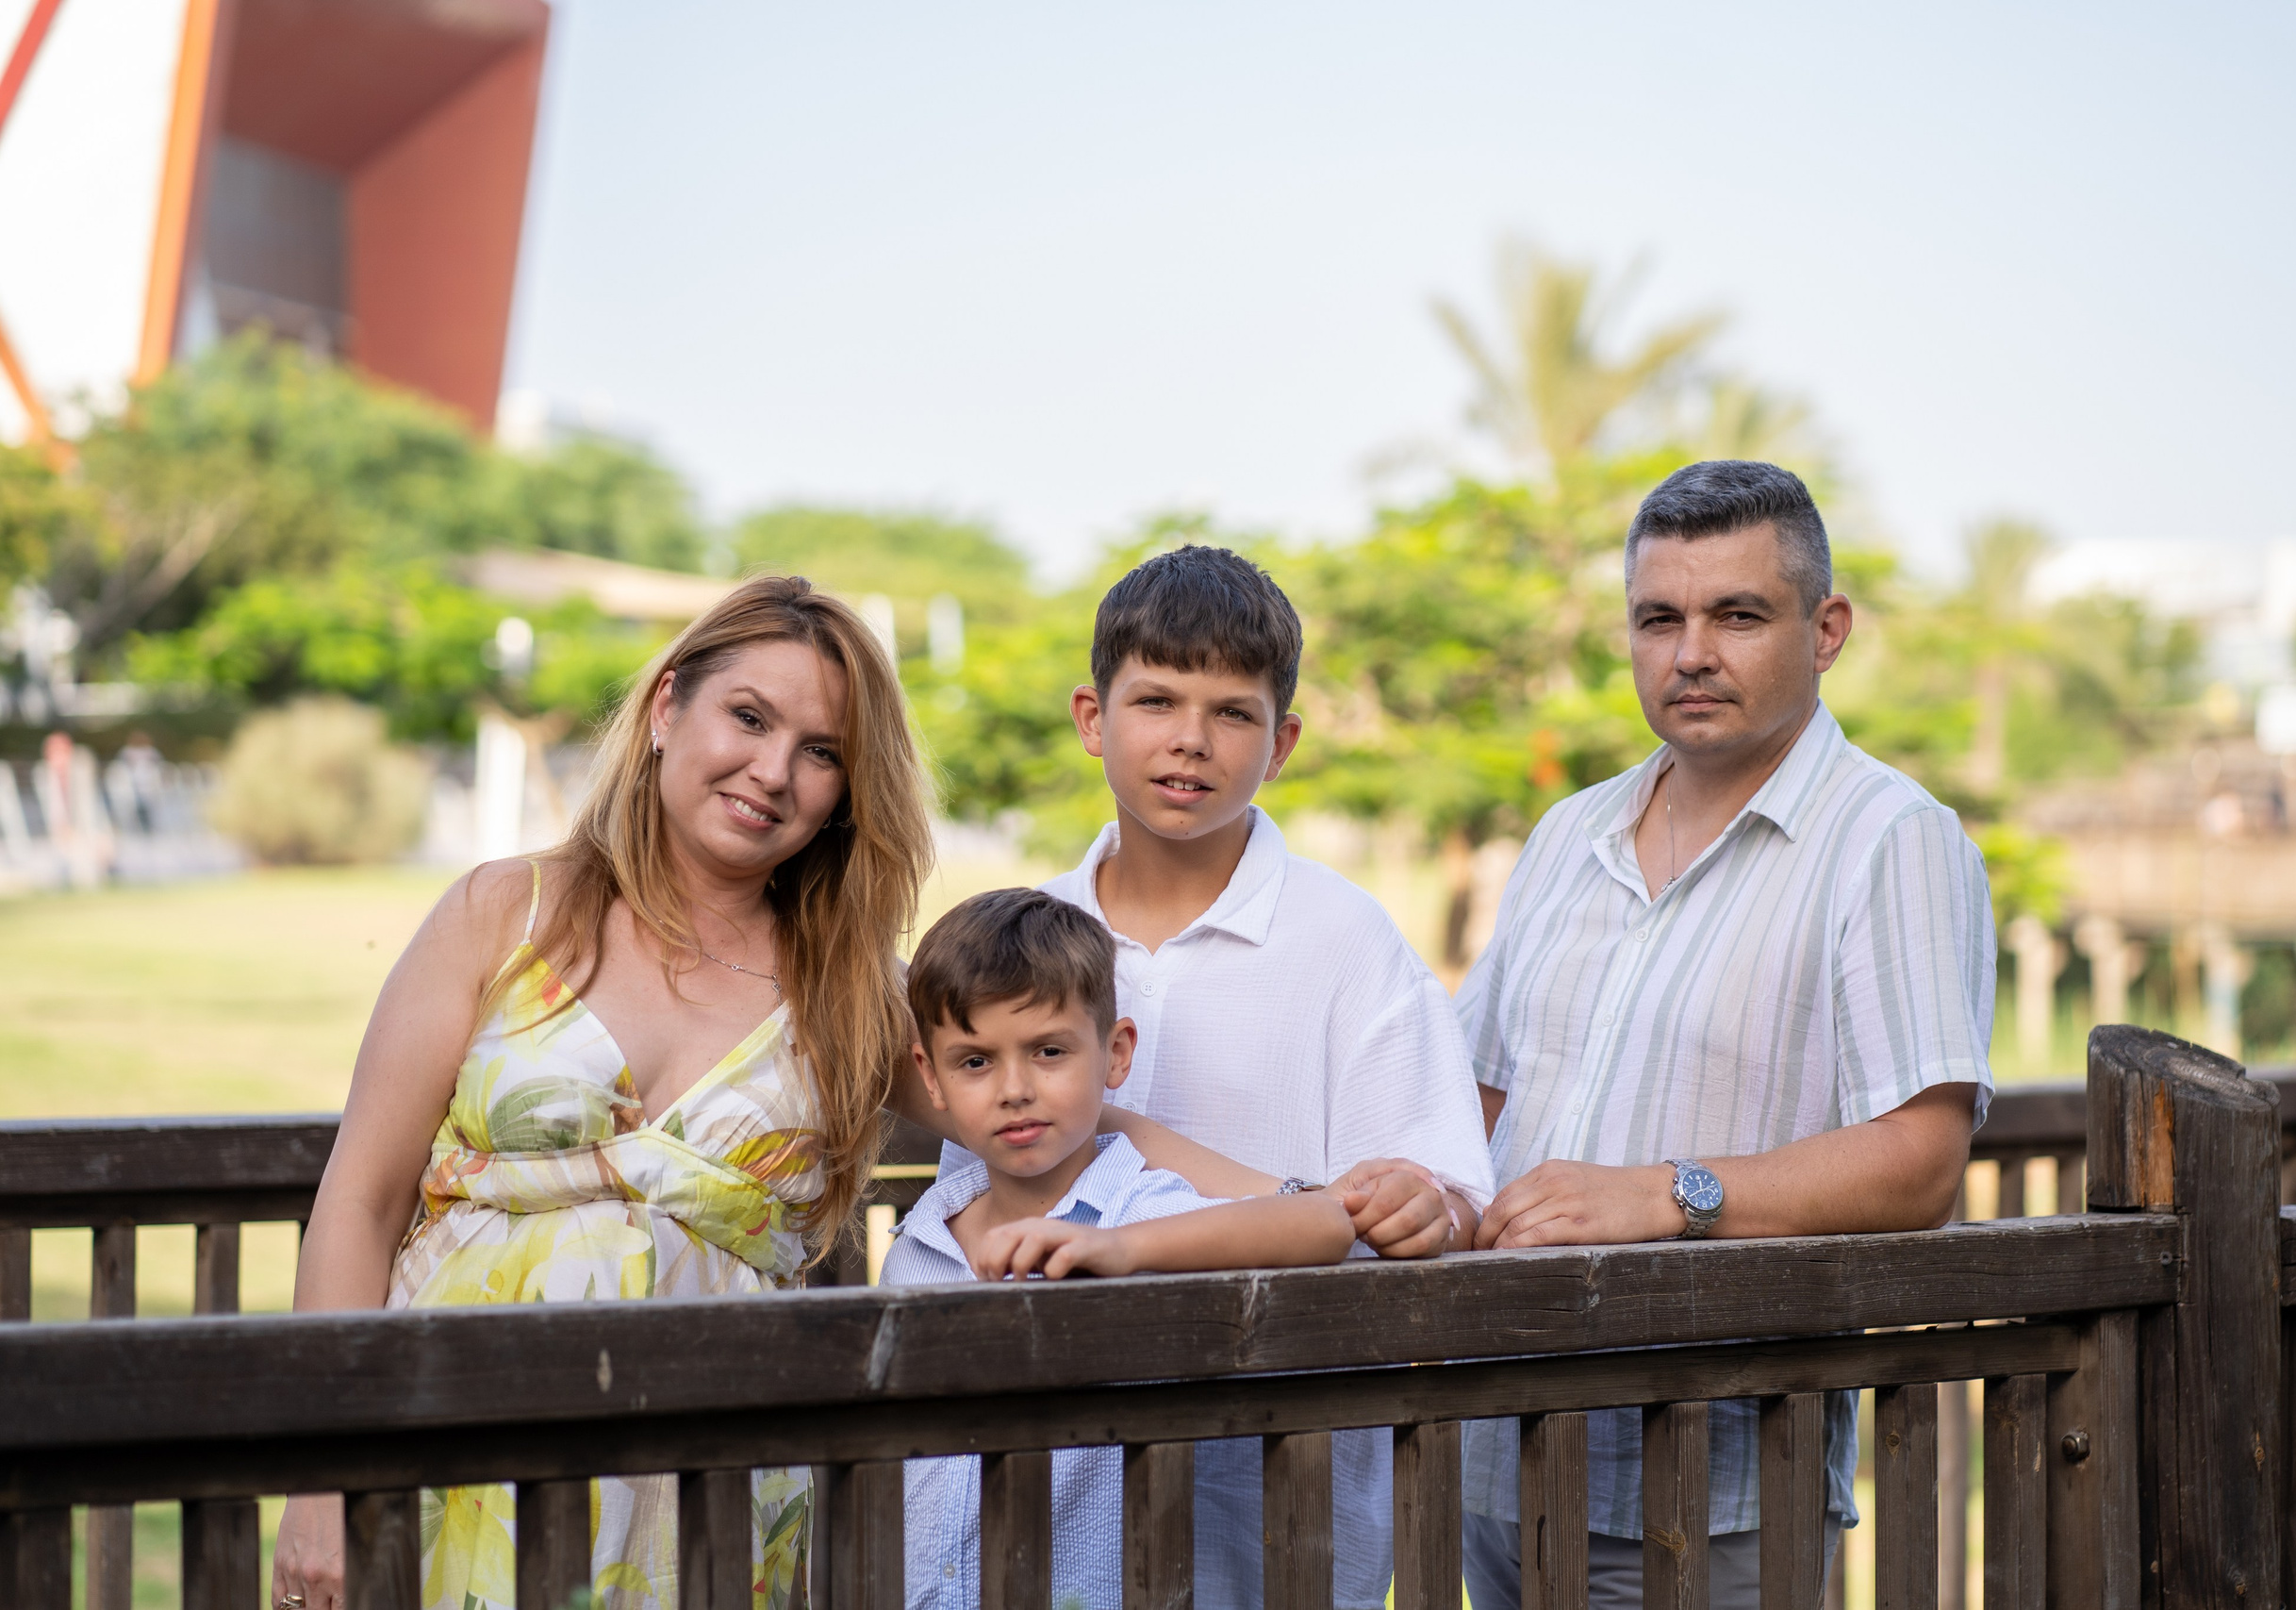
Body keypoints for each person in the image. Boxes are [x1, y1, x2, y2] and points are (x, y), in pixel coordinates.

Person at [271, 575, 936, 1610]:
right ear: (669, 708)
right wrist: (323, 1480)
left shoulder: (850, 992)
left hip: (706, 1495)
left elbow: (1045, 1100)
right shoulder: (506, 911)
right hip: (451, 1448)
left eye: (822, 752)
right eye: (749, 718)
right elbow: (359, 1198)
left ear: (850, 791)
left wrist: (1262, 1201)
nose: (772, 771)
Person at [1457, 461, 1995, 1610]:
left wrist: (1666, 1194)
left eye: (1736, 616)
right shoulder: (1568, 831)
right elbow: (1481, 1097)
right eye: (1660, 618)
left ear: (1826, 628)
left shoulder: (1890, 839)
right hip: (1493, 1448)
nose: (1690, 652)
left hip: (1712, 1482)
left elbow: (1921, 1159)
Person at [991, 542, 1495, 1609]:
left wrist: (1423, 1204)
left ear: (1281, 744)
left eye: (1232, 712)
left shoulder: (1346, 940)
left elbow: (1449, 1193)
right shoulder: (1020, 939)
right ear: (1093, 718)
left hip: (1285, 1492)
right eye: (1156, 699)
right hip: (1055, 1472)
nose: (1189, 740)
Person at [884, 888, 1360, 1610]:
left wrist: (1120, 1248)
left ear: (1115, 1053)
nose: (1014, 1089)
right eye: (975, 1061)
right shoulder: (921, 1242)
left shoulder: (1138, 1209)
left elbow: (1323, 1225)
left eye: (1048, 1051)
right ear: (930, 1075)